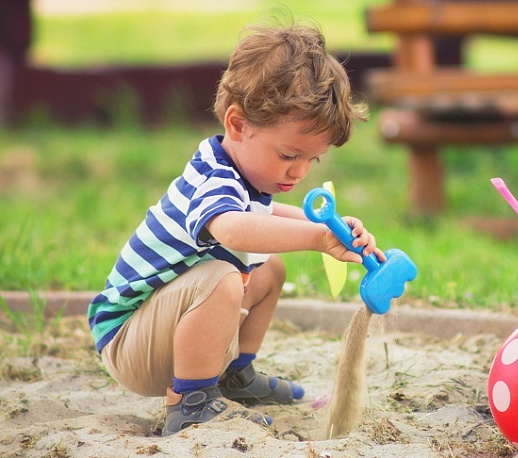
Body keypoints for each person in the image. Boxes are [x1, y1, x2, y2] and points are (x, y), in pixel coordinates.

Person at [87, 21, 383, 436]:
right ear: (238, 125)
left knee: (270, 268)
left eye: (311, 161)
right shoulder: (213, 179)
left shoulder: (243, 174)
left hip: (160, 331)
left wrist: (329, 226)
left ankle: (235, 376)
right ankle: (191, 402)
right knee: (222, 278)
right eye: (288, 154)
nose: (298, 172)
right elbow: (232, 229)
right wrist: (317, 238)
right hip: (128, 339)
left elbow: (264, 215)